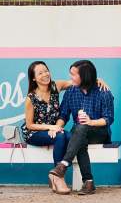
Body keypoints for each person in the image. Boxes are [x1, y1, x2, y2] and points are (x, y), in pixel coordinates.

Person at [24, 61, 108, 195]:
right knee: (67, 135)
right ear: (34, 78)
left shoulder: (56, 86)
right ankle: (60, 177)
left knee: (76, 137)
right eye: (40, 73)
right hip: (35, 131)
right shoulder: (31, 98)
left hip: (61, 129)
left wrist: (98, 79)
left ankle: (66, 170)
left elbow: (82, 80)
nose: (45, 74)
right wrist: (53, 127)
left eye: (46, 71)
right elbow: (29, 125)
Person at [49, 60, 114, 195]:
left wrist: (91, 122)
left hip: (99, 132)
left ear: (84, 76)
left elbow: (108, 119)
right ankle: (89, 183)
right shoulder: (71, 91)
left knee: (80, 130)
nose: (70, 78)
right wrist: (57, 127)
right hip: (79, 134)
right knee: (80, 138)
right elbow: (63, 114)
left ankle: (64, 164)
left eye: (73, 74)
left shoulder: (103, 92)